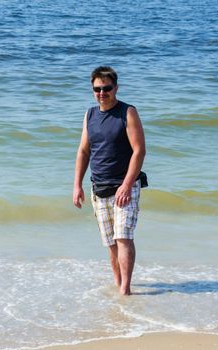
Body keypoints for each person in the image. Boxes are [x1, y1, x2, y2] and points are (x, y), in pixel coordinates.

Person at [73, 66, 146, 296]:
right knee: (111, 242)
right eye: (97, 89)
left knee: (123, 237)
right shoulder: (90, 115)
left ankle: (125, 289)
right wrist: (77, 185)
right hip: (99, 187)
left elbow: (139, 151)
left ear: (116, 88)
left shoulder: (128, 112)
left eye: (107, 88)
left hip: (125, 187)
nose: (102, 93)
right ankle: (118, 283)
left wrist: (126, 184)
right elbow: (83, 152)